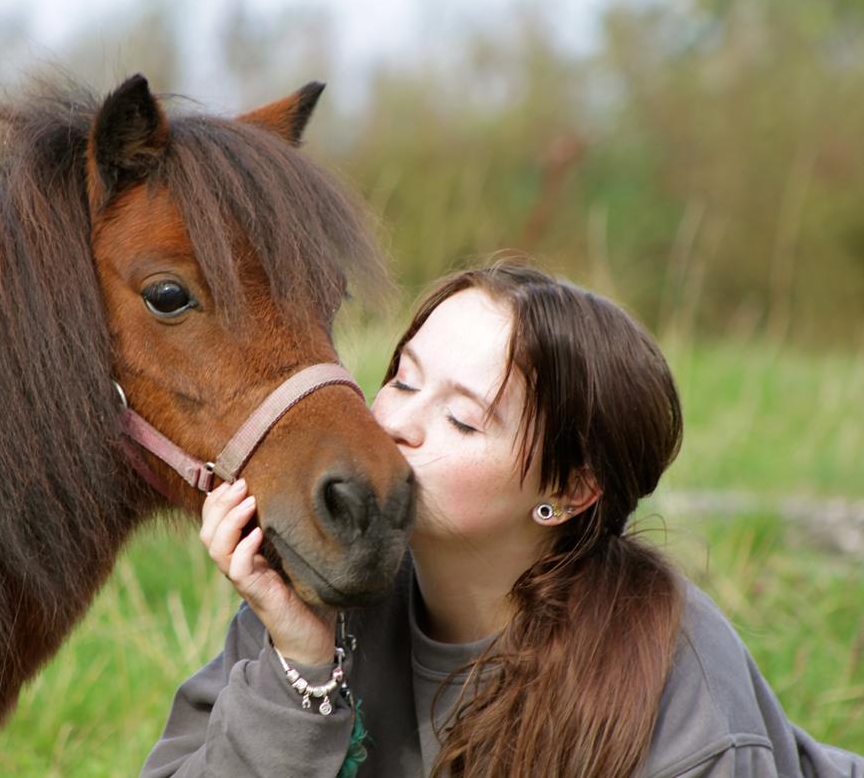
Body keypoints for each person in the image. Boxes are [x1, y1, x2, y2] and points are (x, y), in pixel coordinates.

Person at [141, 260, 864, 777]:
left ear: (571, 490)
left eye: (461, 419)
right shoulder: (324, 592)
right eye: (403, 379)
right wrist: (300, 667)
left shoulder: (679, 692)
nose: (395, 425)